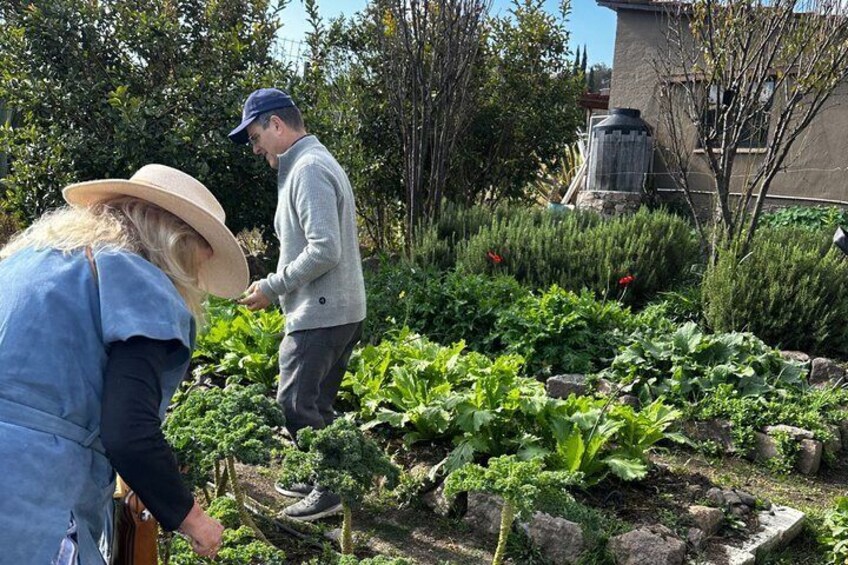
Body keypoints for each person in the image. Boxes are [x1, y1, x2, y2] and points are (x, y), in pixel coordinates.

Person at [0, 164, 249, 564]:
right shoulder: (139, 284)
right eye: (199, 259)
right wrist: (194, 519)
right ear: (177, 241)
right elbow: (128, 432)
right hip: (30, 490)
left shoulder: (24, 261)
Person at [229, 88, 366, 521]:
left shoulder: (308, 169)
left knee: (294, 404)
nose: (255, 149)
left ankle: (329, 488)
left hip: (320, 313)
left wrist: (273, 286)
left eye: (255, 137)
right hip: (338, 310)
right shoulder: (310, 163)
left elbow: (325, 249)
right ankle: (329, 475)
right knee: (317, 403)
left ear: (276, 124)